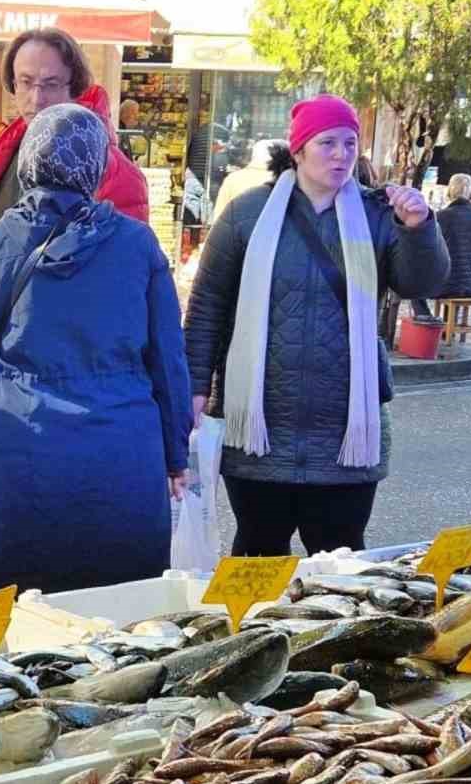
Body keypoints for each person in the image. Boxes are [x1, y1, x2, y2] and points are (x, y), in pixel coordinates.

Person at [0, 104, 191, 596]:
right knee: (123, 612)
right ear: (96, 166)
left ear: (28, 161)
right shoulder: (137, 245)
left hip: (20, 450)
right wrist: (176, 454)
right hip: (122, 452)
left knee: (22, 615)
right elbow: (169, 361)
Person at [184, 96, 449, 555]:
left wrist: (419, 227)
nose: (341, 154)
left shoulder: (378, 213)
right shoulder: (246, 214)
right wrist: (193, 389)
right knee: (257, 561)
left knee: (341, 565)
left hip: (346, 436)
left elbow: (420, 281)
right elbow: (208, 305)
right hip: (259, 434)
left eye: (350, 143)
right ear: (299, 149)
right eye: (327, 143)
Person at [0, 28, 147, 228]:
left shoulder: (116, 173)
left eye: (51, 84)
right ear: (13, 84)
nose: (37, 99)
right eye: (26, 82)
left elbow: (123, 255)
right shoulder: (8, 148)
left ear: (75, 87)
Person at [410, 173, 471, 320]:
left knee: (412, 284)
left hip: (447, 286)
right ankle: (449, 323)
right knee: (457, 276)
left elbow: (428, 249)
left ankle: (426, 318)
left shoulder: (442, 216)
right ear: (470, 192)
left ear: (450, 191)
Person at [214, 140, 280, 219]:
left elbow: (219, 215)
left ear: (252, 155)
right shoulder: (280, 181)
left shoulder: (233, 179)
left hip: (237, 229)